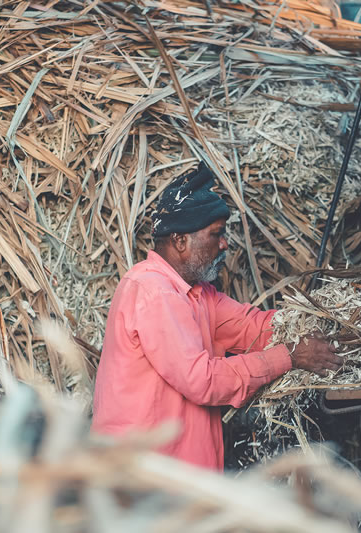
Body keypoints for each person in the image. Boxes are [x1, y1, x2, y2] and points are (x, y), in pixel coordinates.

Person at [91, 162, 342, 470]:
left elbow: (255, 328)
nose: (224, 244)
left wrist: (326, 321)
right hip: (143, 479)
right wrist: (289, 356)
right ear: (181, 241)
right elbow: (202, 380)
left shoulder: (197, 294)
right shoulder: (154, 291)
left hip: (178, 478)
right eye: (216, 234)